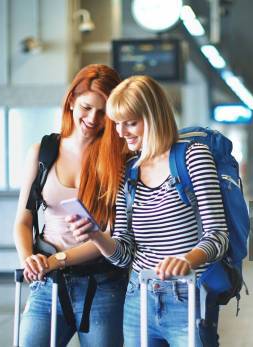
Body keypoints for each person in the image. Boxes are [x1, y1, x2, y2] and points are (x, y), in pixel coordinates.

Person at [67, 75, 229, 347]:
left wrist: (187, 260)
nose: (120, 132)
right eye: (117, 123)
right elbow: (123, 254)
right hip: (137, 301)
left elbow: (218, 236)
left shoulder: (193, 157)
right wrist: (96, 236)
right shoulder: (127, 173)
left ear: (154, 117)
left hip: (186, 299)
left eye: (130, 123)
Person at [12, 64, 128, 347]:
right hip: (47, 282)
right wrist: (30, 259)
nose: (92, 118)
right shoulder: (44, 151)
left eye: (103, 112)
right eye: (87, 107)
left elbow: (112, 236)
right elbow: (23, 220)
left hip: (102, 284)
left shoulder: (120, 160)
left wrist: (53, 261)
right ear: (72, 100)